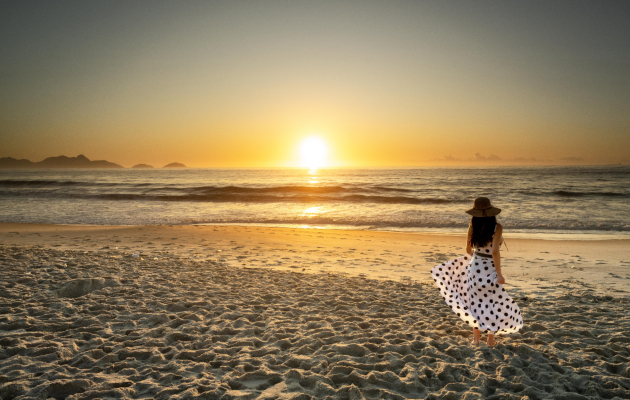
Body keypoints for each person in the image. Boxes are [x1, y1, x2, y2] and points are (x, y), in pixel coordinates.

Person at [430, 197, 523, 346]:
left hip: (474, 268)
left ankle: (476, 339)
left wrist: (475, 262)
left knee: (474, 304)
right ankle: (490, 341)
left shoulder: (472, 226)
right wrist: (499, 273)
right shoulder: (497, 227)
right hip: (490, 269)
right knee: (492, 304)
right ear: (491, 212)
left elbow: (468, 250)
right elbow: (494, 252)